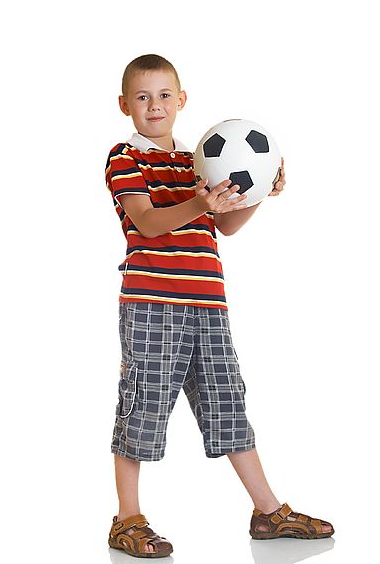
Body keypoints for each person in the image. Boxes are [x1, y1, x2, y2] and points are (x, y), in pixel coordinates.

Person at [105, 54, 334, 557]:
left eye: (165, 95)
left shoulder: (201, 161)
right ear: (125, 105)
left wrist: (255, 192)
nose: (155, 105)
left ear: (181, 101)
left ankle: (269, 512)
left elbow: (223, 226)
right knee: (143, 406)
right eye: (142, 97)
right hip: (152, 304)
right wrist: (201, 202)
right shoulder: (125, 158)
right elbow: (147, 223)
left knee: (228, 402)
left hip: (207, 305)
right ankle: (127, 519)